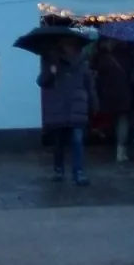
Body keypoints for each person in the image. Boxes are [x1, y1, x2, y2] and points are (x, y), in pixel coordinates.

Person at [39, 38, 98, 185]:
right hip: (59, 108)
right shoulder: (53, 62)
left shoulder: (83, 64)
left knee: (77, 140)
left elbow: (90, 86)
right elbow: (41, 81)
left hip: (77, 108)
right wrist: (51, 72)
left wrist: (94, 104)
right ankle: (59, 169)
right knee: (59, 143)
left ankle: (78, 172)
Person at [94, 39, 132, 163]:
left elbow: (98, 75)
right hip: (124, 93)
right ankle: (120, 150)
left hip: (109, 94)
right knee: (122, 120)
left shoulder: (102, 58)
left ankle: (115, 145)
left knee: (114, 119)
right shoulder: (127, 56)